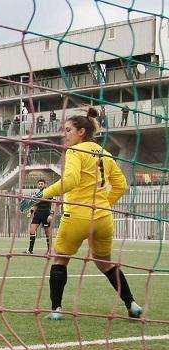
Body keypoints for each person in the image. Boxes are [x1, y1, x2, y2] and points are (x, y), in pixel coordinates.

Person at [37, 107, 141, 320]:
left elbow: (72, 181)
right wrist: (103, 204)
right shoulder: (106, 153)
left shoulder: (76, 151)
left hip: (76, 217)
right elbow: (121, 185)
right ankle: (132, 304)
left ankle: (56, 310)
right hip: (103, 218)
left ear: (81, 132)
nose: (64, 134)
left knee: (60, 259)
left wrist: (44, 193)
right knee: (105, 263)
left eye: (68, 130)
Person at [24, 178, 54, 254]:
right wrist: (30, 212)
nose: (40, 185)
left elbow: (53, 203)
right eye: (39, 184)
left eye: (42, 184)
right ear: (37, 185)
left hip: (46, 215)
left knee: (47, 233)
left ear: (45, 185)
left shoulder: (48, 192)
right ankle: (30, 250)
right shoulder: (37, 195)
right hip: (37, 215)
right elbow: (35, 205)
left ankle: (49, 250)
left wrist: (51, 214)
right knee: (32, 230)